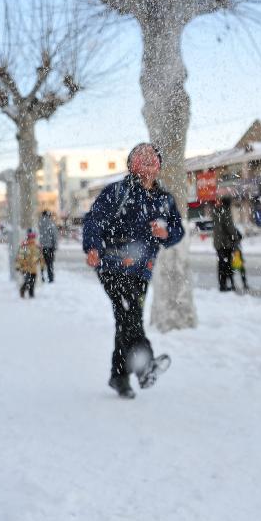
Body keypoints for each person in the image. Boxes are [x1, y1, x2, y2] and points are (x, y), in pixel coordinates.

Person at [82, 143, 185, 399]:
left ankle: (118, 377)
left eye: (153, 159)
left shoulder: (164, 200)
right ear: (132, 165)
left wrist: (167, 233)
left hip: (142, 270)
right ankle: (145, 365)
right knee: (130, 316)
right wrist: (93, 247)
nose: (149, 163)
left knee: (126, 320)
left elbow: (177, 231)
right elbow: (93, 220)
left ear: (159, 166)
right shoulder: (116, 192)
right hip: (113, 267)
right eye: (142, 159)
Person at [212, 197, 240, 291]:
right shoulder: (226, 212)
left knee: (221, 264)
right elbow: (230, 228)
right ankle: (228, 284)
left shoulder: (216, 211)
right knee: (227, 264)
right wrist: (235, 237)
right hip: (225, 243)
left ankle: (222, 284)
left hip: (218, 243)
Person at [15, 229, 43, 298]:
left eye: (33, 237)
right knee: (28, 281)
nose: (32, 239)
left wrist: (42, 264)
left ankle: (31, 294)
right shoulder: (25, 246)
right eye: (31, 237)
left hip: (33, 268)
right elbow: (20, 257)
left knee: (32, 282)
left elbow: (39, 257)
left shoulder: (36, 247)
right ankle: (23, 289)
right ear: (28, 237)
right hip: (25, 268)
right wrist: (18, 266)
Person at [38, 210, 59, 283]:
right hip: (49, 247)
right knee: (49, 264)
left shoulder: (38, 223)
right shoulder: (51, 223)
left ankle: (41, 277)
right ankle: (50, 278)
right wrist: (55, 245)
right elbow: (54, 236)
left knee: (41, 263)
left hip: (39, 247)